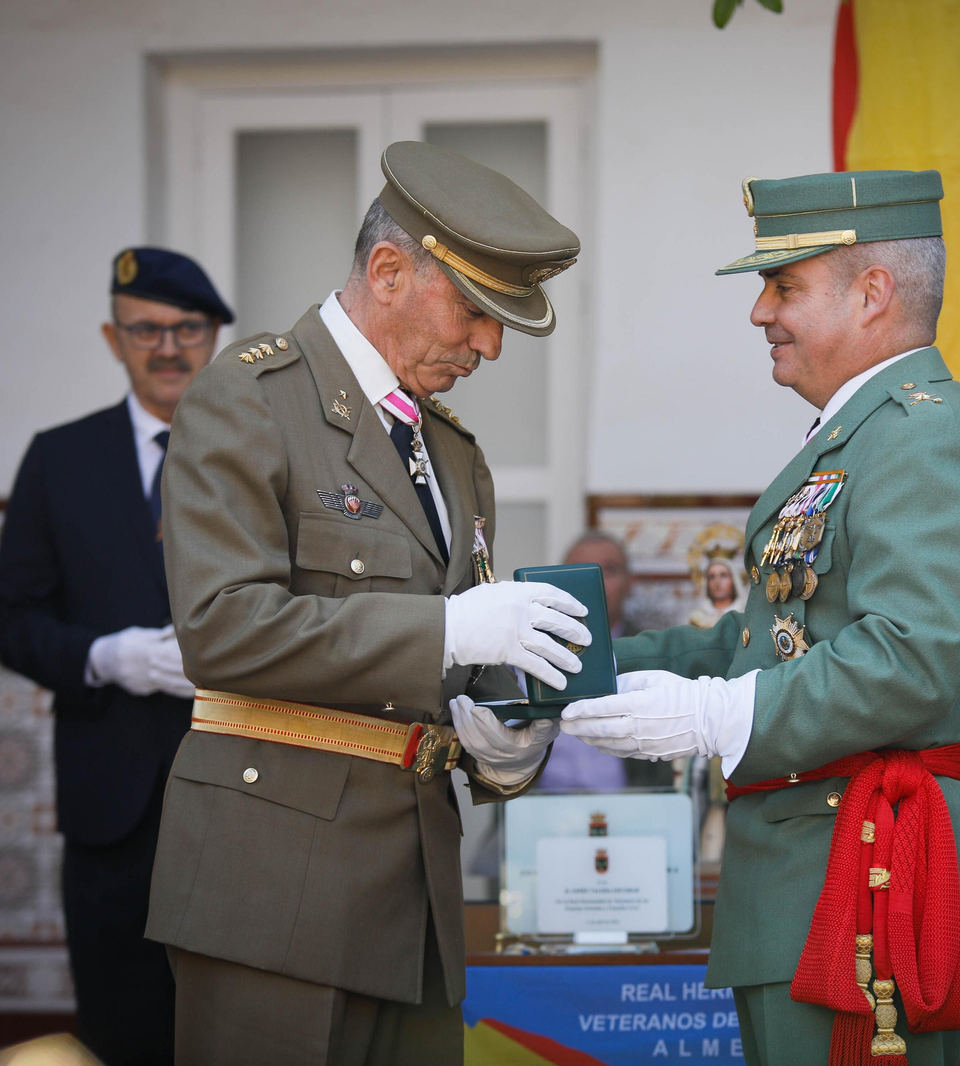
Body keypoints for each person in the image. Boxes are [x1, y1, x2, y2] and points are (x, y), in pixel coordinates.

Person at [562, 170, 960, 1065]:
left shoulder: (918, 438)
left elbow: (909, 659)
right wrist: (570, 662)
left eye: (784, 287)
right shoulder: (863, 434)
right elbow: (763, 638)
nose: (759, 314)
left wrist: (714, 715)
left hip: (865, 883)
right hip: (819, 877)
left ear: (873, 293)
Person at [146, 141, 591, 1065]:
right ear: (388, 271)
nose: (492, 345)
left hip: (417, 902)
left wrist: (498, 746)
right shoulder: (249, 398)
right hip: (275, 895)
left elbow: (440, 672)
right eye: (475, 310)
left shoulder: (453, 450)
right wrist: (446, 629)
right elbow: (224, 627)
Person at [0, 247, 233, 1065]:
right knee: (123, 1025)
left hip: (248, 792)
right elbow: (12, 620)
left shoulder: (262, 453)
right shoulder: (60, 458)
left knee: (245, 1022)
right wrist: (105, 657)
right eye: (145, 330)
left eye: (187, 329)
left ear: (217, 337)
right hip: (111, 805)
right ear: (112, 336)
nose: (167, 349)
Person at [538, 531, 672, 790]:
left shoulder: (655, 653)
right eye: (578, 572)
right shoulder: (531, 649)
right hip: (540, 811)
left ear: (629, 583)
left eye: (608, 571)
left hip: (637, 812)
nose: (594, 583)